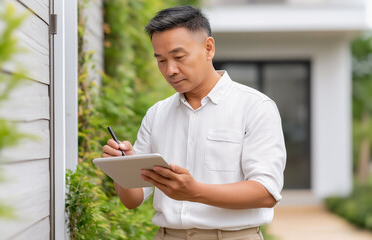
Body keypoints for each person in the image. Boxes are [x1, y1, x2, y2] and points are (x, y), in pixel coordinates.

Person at [102, 5, 286, 240]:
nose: (170, 70)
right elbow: (133, 199)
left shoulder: (255, 107)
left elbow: (266, 192)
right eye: (161, 60)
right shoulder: (157, 113)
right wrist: (123, 168)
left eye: (179, 57)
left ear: (208, 48)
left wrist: (195, 192)